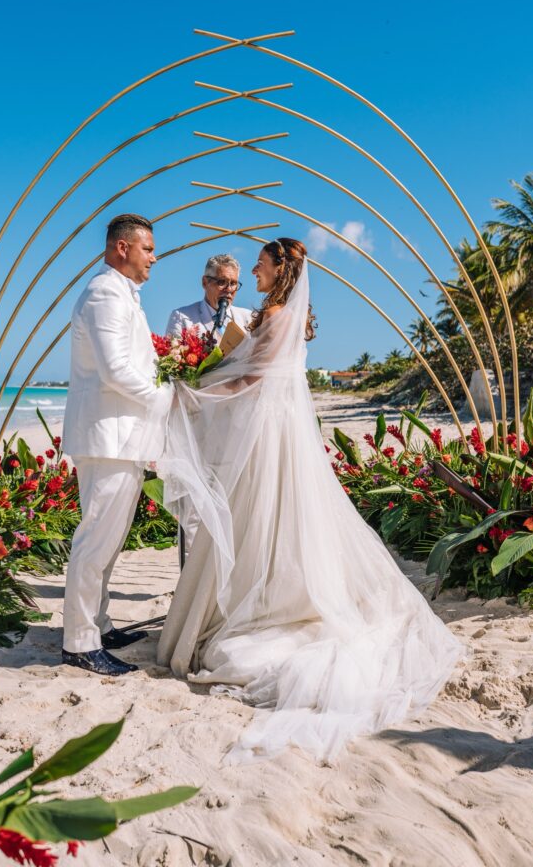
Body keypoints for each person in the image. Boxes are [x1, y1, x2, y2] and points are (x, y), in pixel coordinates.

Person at [157, 237, 464, 761]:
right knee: (259, 519)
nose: (252, 269)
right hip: (267, 428)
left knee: (261, 513)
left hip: (268, 434)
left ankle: (266, 603)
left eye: (259, 263)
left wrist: (196, 389)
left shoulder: (275, 315)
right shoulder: (274, 312)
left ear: (280, 270)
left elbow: (256, 378)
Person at [61, 213, 172, 676]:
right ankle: (79, 642)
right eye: (147, 249)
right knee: (95, 540)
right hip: (107, 436)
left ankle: (99, 624)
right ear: (122, 248)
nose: (154, 257)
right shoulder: (105, 292)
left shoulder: (126, 294)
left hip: (123, 436)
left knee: (109, 540)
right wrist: (169, 399)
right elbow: (115, 370)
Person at [165, 254, 252, 341]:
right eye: (222, 282)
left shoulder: (249, 318)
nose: (228, 289)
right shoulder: (181, 317)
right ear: (205, 282)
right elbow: (172, 353)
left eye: (233, 283)